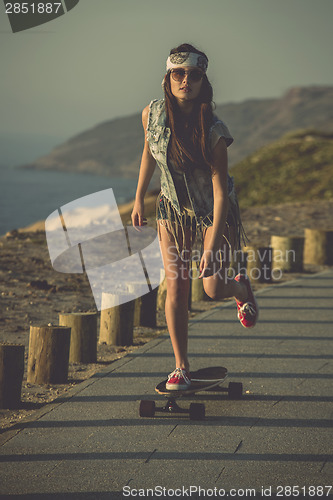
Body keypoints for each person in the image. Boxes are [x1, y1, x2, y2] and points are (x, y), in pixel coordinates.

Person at [131, 43, 258, 390]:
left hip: (212, 214)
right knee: (176, 290)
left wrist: (211, 245)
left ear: (203, 80)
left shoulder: (215, 131)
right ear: (168, 77)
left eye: (194, 75)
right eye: (179, 73)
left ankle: (240, 287)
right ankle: (181, 367)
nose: (186, 80)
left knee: (213, 288)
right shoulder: (151, 114)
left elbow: (219, 194)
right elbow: (148, 152)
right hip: (171, 211)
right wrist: (139, 198)